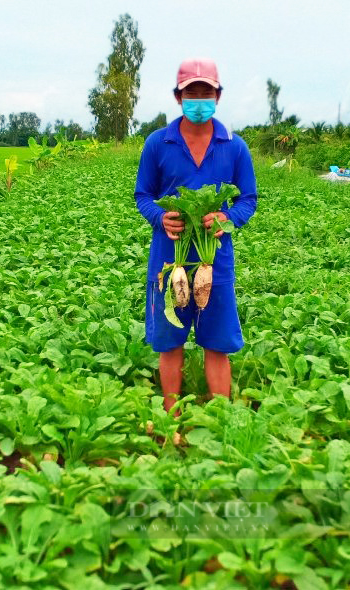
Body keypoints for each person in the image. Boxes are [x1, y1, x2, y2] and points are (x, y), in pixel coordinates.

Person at [134, 58, 257, 414]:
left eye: (207, 92)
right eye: (192, 93)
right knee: (169, 340)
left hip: (213, 259)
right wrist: (160, 217)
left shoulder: (235, 146)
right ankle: (171, 411)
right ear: (178, 97)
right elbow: (143, 195)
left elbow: (248, 199)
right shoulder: (158, 143)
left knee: (216, 341)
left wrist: (227, 217)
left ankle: (221, 416)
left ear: (218, 96)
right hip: (168, 257)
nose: (199, 100)